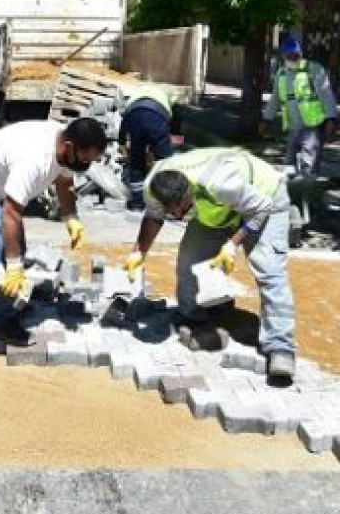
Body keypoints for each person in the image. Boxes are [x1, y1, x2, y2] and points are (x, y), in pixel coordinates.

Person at [121, 147, 297, 380]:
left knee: (268, 268)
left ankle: (280, 347)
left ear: (188, 193)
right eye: (171, 212)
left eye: (181, 209)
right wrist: (138, 252)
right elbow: (154, 217)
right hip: (218, 207)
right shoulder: (155, 186)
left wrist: (232, 244)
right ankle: (191, 316)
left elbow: (261, 209)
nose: (177, 215)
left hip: (264, 197)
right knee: (190, 258)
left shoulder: (223, 183)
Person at [0, 117, 109, 345]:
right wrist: (15, 267)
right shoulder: (34, 160)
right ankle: (0, 323)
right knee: (2, 261)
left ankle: (10, 303)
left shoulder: (65, 144)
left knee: (17, 247)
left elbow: (64, 182)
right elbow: (11, 214)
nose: (86, 165)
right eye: (85, 159)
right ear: (69, 147)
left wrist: (71, 219)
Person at [262, 35, 338, 179]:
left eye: (296, 55)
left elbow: (326, 95)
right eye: (290, 56)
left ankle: (308, 196)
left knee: (308, 165)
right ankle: (293, 195)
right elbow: (275, 99)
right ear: (283, 57)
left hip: (312, 127)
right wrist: (267, 119)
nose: (294, 59)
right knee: (289, 165)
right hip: (292, 127)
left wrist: (331, 119)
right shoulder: (282, 74)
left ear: (301, 54)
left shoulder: (314, 70)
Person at [118, 83, 181, 210]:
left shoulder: (134, 96)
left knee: (136, 162)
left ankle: (137, 203)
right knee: (165, 162)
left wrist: (122, 142)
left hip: (135, 116)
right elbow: (172, 125)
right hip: (157, 117)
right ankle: (171, 202)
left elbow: (124, 122)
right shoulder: (165, 96)